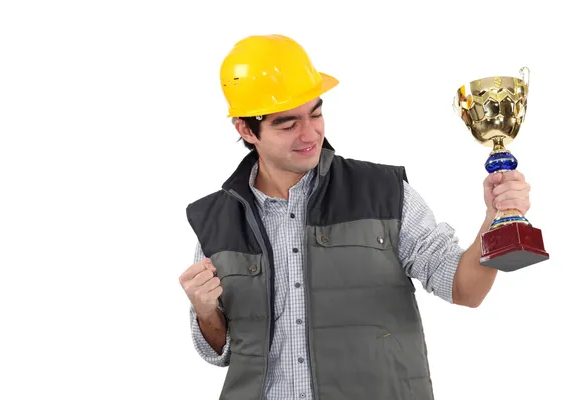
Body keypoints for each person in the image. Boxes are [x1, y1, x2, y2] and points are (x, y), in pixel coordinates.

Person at [178, 34, 531, 400]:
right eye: (288, 124)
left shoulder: (382, 193)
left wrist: (495, 219)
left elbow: (465, 289)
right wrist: (205, 311)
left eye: (315, 113)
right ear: (246, 130)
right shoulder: (216, 220)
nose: (310, 133)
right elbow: (221, 351)